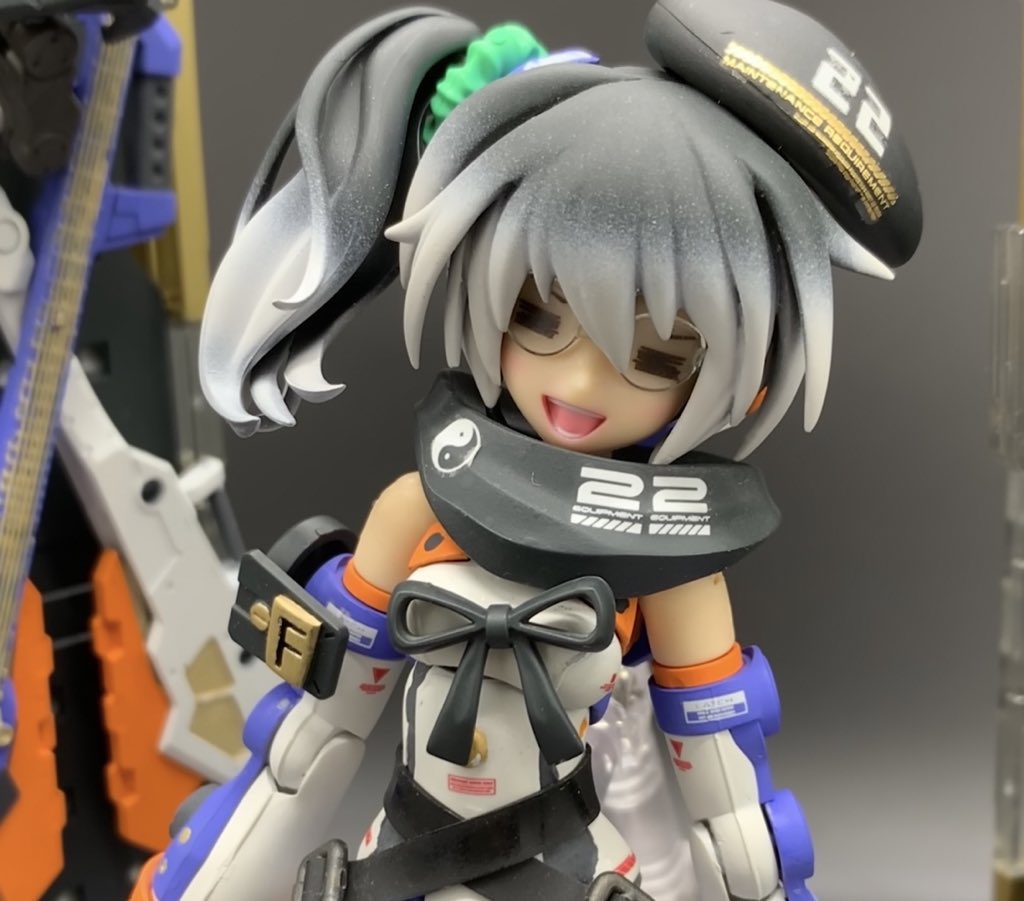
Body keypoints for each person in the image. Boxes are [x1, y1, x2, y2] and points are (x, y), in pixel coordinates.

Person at [132, 2, 921, 899]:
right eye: (539, 316)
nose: (580, 382)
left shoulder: (672, 563)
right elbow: (307, 746)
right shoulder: (422, 506)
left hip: (568, 866)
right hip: (404, 858)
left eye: (658, 353)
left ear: (743, 373)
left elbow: (731, 809)